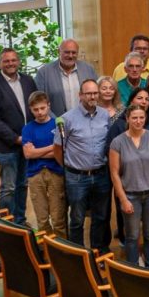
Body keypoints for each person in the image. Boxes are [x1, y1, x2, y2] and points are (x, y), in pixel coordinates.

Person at [54, 80, 112, 248]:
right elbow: (57, 149)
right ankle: (78, 255)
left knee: (100, 217)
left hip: (101, 174)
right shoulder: (67, 119)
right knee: (77, 219)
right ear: (80, 95)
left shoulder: (104, 115)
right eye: (88, 93)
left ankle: (98, 252)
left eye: (95, 93)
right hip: (77, 177)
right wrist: (69, 167)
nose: (92, 96)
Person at [109, 106, 149, 268]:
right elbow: (114, 174)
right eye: (134, 117)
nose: (138, 121)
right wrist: (123, 199)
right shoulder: (117, 142)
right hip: (130, 195)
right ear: (127, 119)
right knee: (132, 235)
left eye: (141, 117)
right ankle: (134, 269)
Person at [0, 48, 37, 223]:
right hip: (6, 146)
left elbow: (35, 106)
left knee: (23, 184)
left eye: (13, 60)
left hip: (27, 144)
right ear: (0, 64)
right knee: (8, 188)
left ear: (18, 61)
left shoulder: (28, 81)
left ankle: (19, 220)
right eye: (6, 61)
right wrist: (15, 138)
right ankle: (6, 225)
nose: (10, 63)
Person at [21, 91, 66, 237]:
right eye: (36, 110)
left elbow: (61, 151)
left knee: (58, 217)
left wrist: (37, 151)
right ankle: (47, 250)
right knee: (42, 218)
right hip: (35, 175)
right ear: (30, 109)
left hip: (56, 173)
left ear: (48, 106)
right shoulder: (28, 128)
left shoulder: (58, 124)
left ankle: (62, 249)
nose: (40, 112)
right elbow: (28, 154)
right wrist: (53, 147)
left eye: (42, 108)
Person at [35, 38, 98, 116]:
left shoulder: (88, 69)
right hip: (56, 123)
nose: (70, 56)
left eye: (74, 52)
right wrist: (56, 121)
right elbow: (39, 101)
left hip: (85, 121)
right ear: (59, 52)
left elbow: (97, 96)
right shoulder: (44, 73)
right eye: (67, 52)